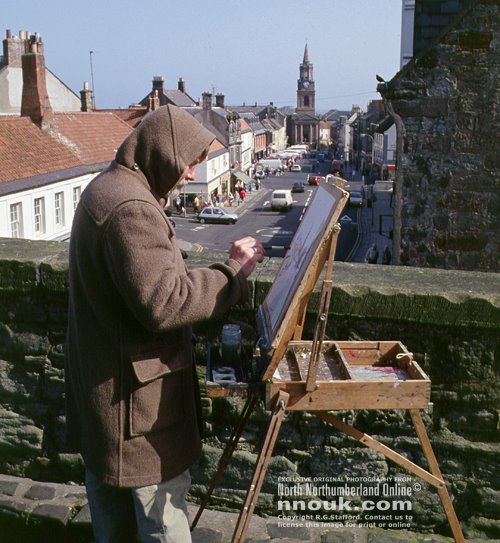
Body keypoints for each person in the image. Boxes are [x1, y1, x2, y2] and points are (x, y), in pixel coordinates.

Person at [65, 105, 264, 543]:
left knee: (113, 531)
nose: (191, 174)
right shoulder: (131, 207)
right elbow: (165, 302)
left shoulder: (109, 187)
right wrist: (233, 271)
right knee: (161, 530)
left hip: (110, 406)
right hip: (137, 420)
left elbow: (145, 282)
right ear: (163, 154)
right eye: (188, 162)